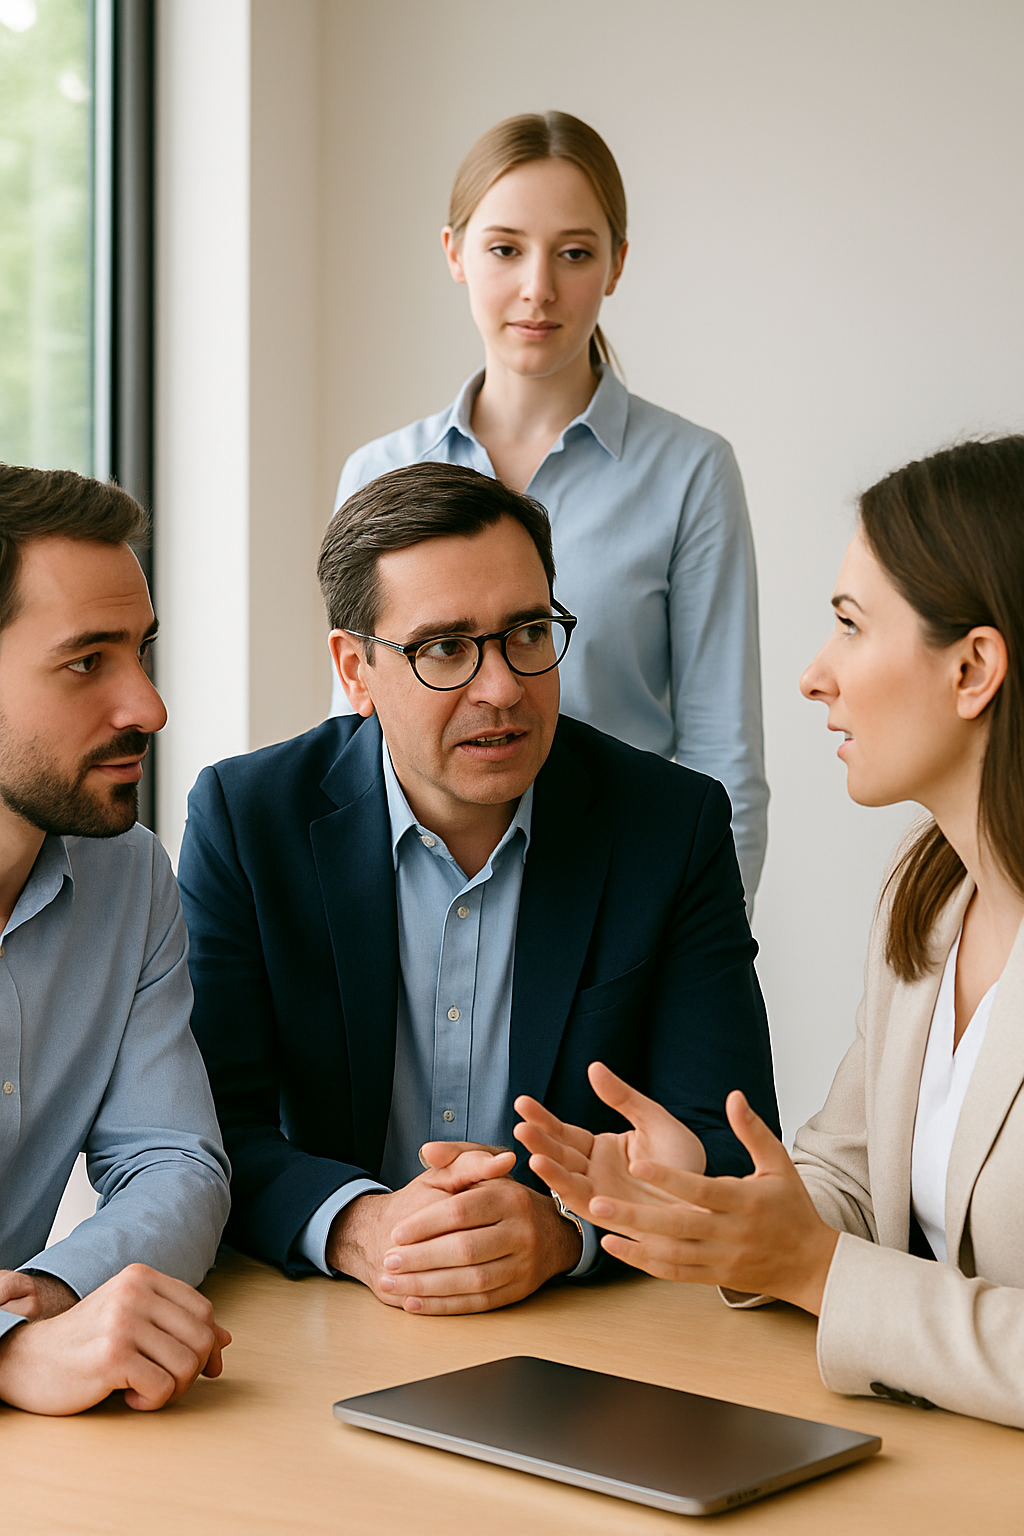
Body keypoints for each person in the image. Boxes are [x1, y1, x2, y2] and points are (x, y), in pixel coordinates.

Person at [178, 461, 779, 1317]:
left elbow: (730, 1143)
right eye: (445, 649)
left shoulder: (668, 826)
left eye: (527, 632)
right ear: (355, 670)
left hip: (583, 1328)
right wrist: (360, 1225)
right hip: (321, 1318)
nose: (501, 689)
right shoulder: (247, 820)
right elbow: (204, 1131)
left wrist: (567, 1228)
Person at [515, 435, 1024, 1428]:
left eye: (850, 626)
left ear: (972, 669)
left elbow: (832, 1262)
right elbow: (847, 1178)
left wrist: (816, 1270)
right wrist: (707, 1203)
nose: (813, 676)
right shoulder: (928, 899)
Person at [329, 111, 768, 903]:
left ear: (617, 263)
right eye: (505, 249)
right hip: (419, 898)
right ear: (455, 252)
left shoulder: (691, 471)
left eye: (574, 252)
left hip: (618, 897)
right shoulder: (380, 472)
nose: (538, 287)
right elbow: (356, 736)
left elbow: (723, 756)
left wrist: (699, 941)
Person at [0, 464, 231, 1416]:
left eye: (140, 650)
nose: (149, 707)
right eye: (86, 661)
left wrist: (53, 1297)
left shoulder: (127, 876)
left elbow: (176, 1160)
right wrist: (8, 1355)